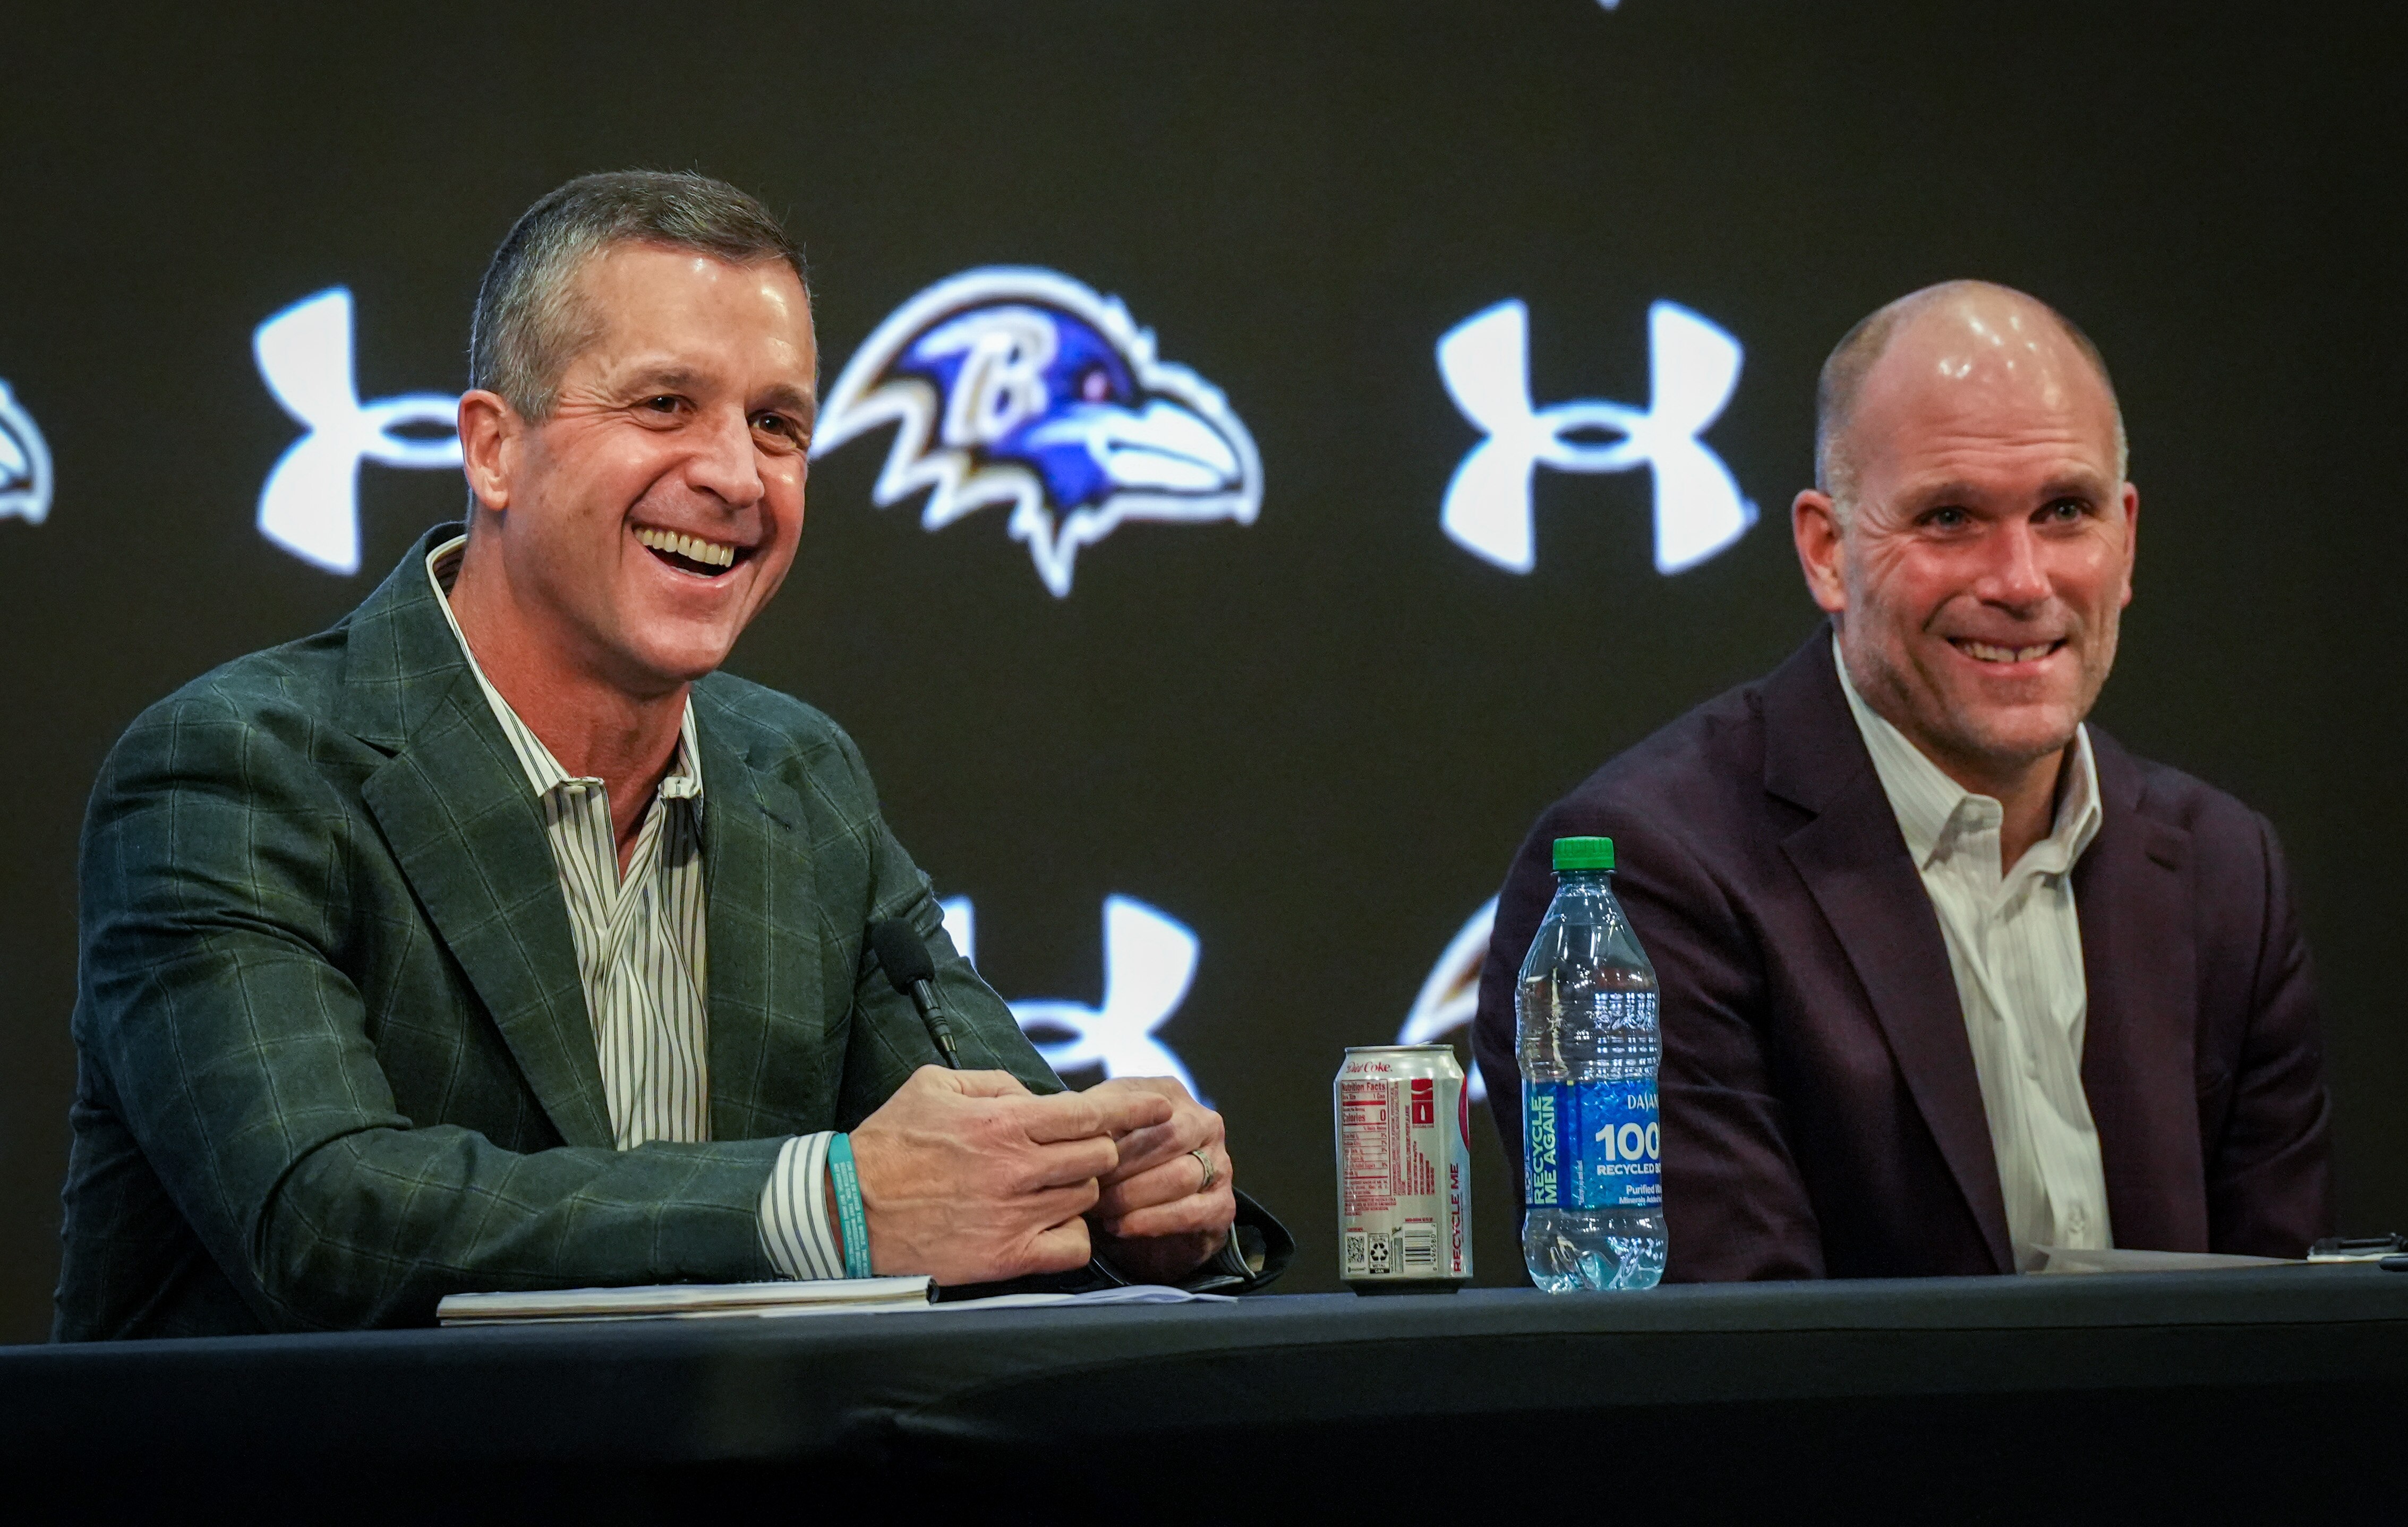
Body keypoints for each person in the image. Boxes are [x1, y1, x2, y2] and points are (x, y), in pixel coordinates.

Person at [58, 171, 1279, 1337]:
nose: (735, 477)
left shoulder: (799, 776)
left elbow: (988, 1151)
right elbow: (325, 1219)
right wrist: (826, 1207)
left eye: (778, 424)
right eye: (663, 406)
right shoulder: (232, 770)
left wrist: (1125, 1201)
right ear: (493, 448)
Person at [1472, 280, 2333, 1280]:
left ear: (2126, 538)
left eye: (2064, 511)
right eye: (1950, 517)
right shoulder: (1649, 875)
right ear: (1826, 550)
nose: (2019, 580)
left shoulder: (2229, 870)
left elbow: (2288, 1339)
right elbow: (1728, 1370)